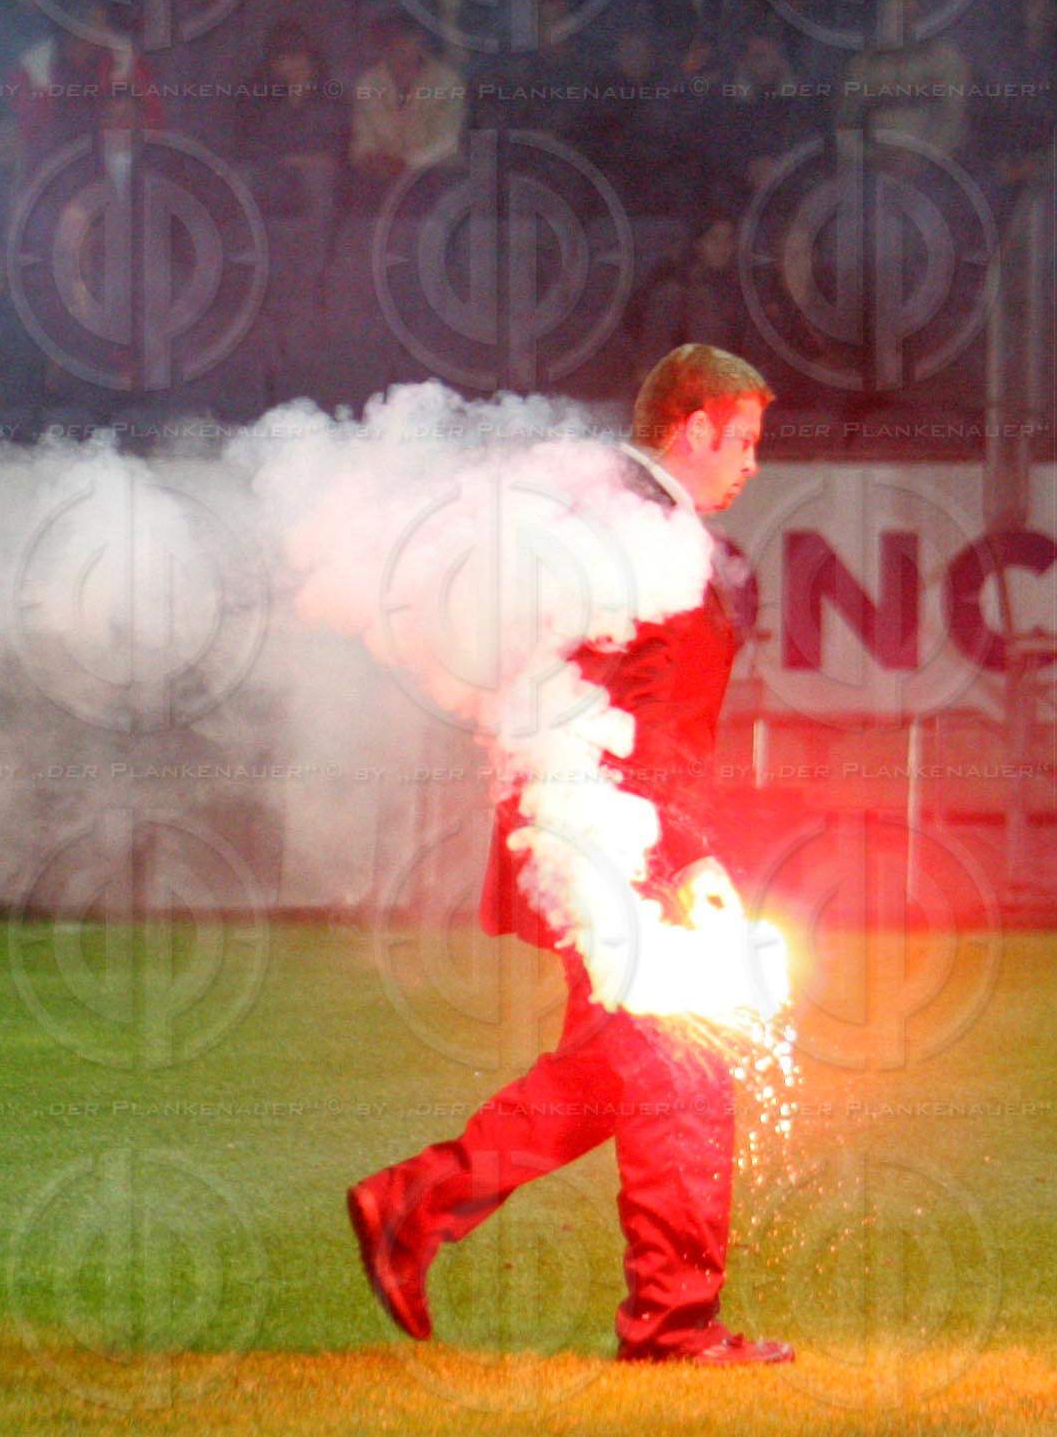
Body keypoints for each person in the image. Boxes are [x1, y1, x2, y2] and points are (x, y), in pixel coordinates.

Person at [346, 346, 794, 1367]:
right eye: (745, 440)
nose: (753, 465)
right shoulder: (628, 527)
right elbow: (616, 711)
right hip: (605, 836)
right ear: (694, 425)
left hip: (599, 830)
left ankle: (661, 1316)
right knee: (673, 1062)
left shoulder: (616, 512)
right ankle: (423, 1209)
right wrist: (681, 856)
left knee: (646, 1072)